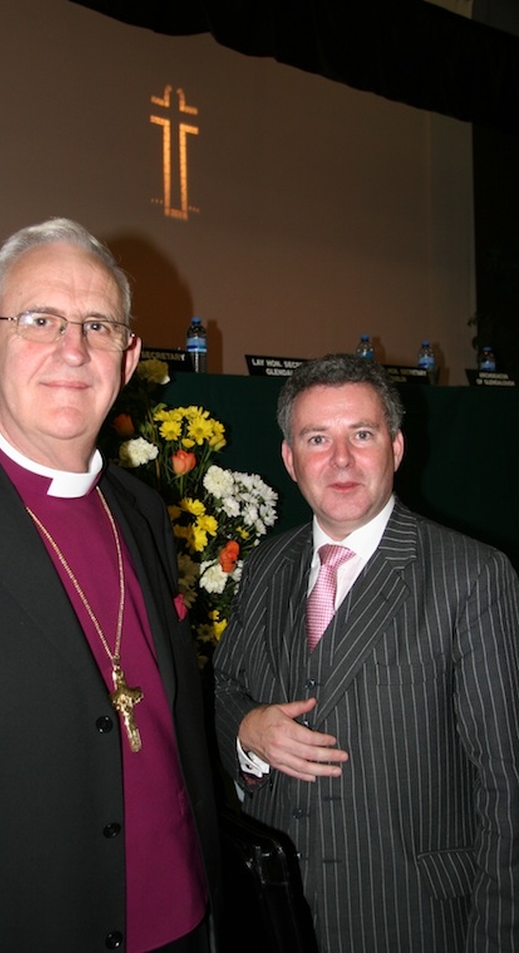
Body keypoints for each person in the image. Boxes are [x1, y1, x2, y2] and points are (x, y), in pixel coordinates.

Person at [0, 218, 221, 953]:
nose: (74, 350)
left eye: (98, 325)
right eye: (40, 320)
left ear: (127, 358)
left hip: (182, 929)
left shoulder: (143, 512)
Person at [213, 353, 519, 952]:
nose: (342, 460)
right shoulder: (266, 564)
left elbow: (507, 787)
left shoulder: (473, 576)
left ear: (396, 448)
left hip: (414, 919)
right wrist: (248, 730)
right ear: (289, 459)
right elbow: (222, 691)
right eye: (317, 438)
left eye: (362, 434)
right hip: (277, 917)